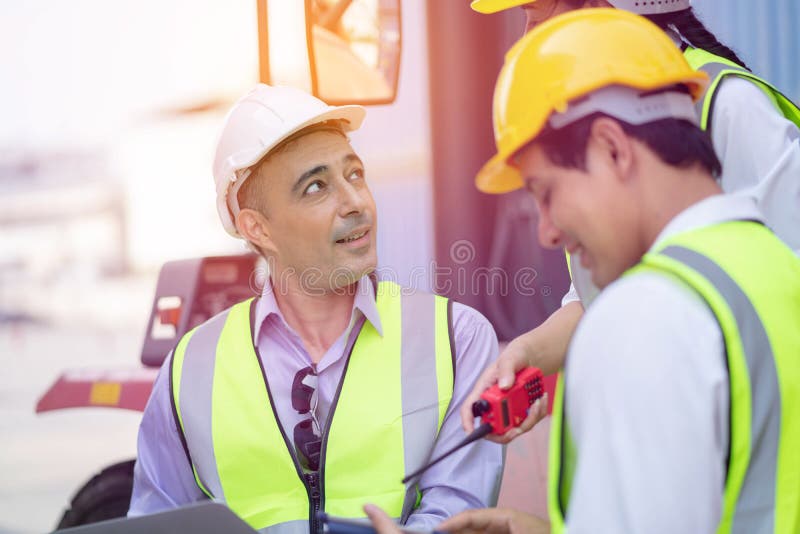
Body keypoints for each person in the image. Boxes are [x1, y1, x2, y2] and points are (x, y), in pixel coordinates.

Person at [366, 9, 800, 533]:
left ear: (614, 149)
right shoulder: (773, 270)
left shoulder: (640, 321)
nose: (546, 232)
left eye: (546, 193)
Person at [127, 84, 503, 533]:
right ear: (258, 228)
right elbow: (156, 524)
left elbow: (460, 512)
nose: (356, 203)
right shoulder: (189, 370)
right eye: (317, 187)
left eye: (355, 175)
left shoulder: (456, 339)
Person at [465, 0, 800, 442]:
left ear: (604, 7)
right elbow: (594, 298)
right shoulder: (600, 132)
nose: (527, 38)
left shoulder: (729, 107)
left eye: (537, 14)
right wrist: (527, 353)